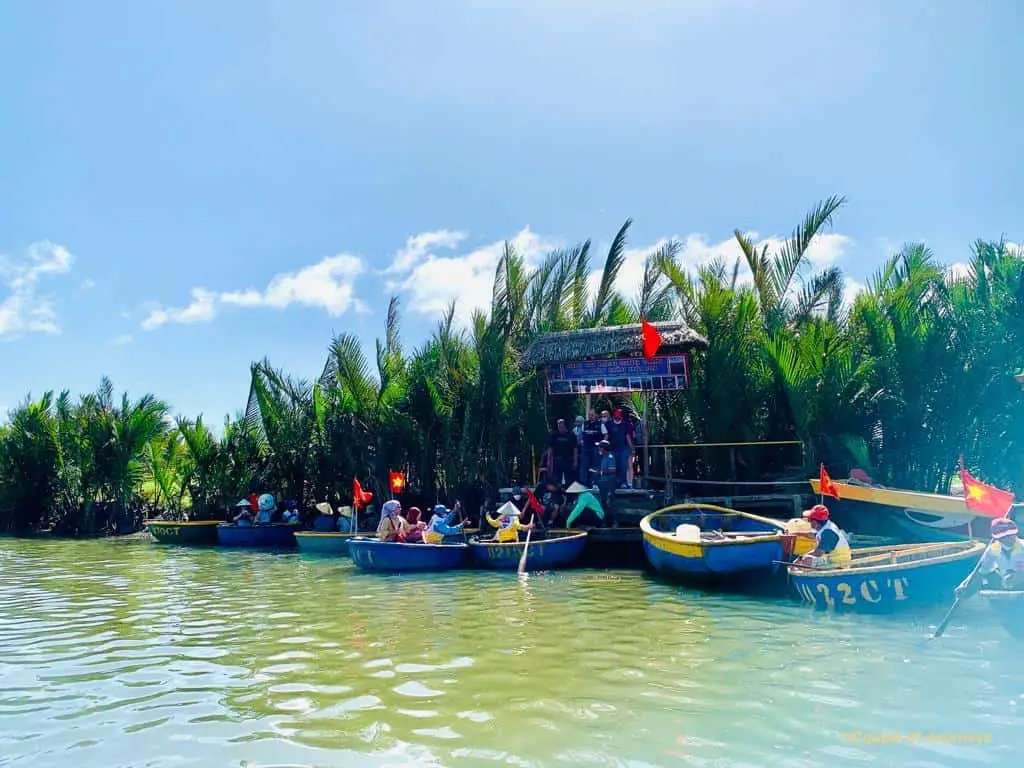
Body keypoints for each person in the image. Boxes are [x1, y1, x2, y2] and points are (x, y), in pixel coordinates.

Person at [956, 517, 1024, 597]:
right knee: (982, 578)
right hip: (1004, 584)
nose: (1008, 539)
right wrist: (964, 585)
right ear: (997, 538)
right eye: (1003, 537)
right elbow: (980, 571)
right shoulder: (993, 549)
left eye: (1010, 535)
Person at [793, 504, 851, 568]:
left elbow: (818, 553)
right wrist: (795, 533)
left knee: (807, 560)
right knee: (807, 558)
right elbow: (812, 534)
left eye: (809, 520)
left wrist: (800, 558)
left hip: (838, 563)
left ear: (815, 522)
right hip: (831, 558)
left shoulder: (829, 532)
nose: (808, 522)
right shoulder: (825, 526)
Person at [605, 409, 634, 489]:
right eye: (616, 417)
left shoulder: (625, 425)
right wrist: (603, 445)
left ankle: (624, 483)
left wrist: (631, 448)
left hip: (622, 449)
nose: (617, 418)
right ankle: (612, 483)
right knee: (612, 467)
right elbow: (606, 436)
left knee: (623, 467)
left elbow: (627, 436)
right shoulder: (609, 424)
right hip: (612, 450)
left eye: (619, 417)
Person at [548, 419, 578, 487]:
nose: (560, 428)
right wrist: (549, 461)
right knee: (557, 479)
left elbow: (575, 449)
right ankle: (558, 494)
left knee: (569, 479)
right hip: (557, 460)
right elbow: (550, 448)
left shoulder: (571, 435)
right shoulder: (554, 435)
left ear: (564, 426)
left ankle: (569, 494)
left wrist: (575, 461)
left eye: (561, 426)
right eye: (559, 426)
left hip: (568, 460)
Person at [590, 440, 618, 513]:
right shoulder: (604, 457)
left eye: (600, 447)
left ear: (604, 449)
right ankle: (604, 521)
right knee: (603, 502)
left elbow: (613, 470)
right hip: (603, 483)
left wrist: (599, 473)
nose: (598, 449)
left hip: (609, 483)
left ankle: (614, 522)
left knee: (610, 503)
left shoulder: (610, 457)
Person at [580, 410, 605, 484]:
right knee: (584, 465)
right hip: (586, 448)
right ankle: (583, 482)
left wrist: (602, 444)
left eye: (592, 415)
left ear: (596, 415)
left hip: (596, 448)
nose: (591, 416)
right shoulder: (585, 424)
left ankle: (596, 482)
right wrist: (581, 440)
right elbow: (582, 434)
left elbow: (606, 434)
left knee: (596, 465)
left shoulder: (600, 424)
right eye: (590, 415)